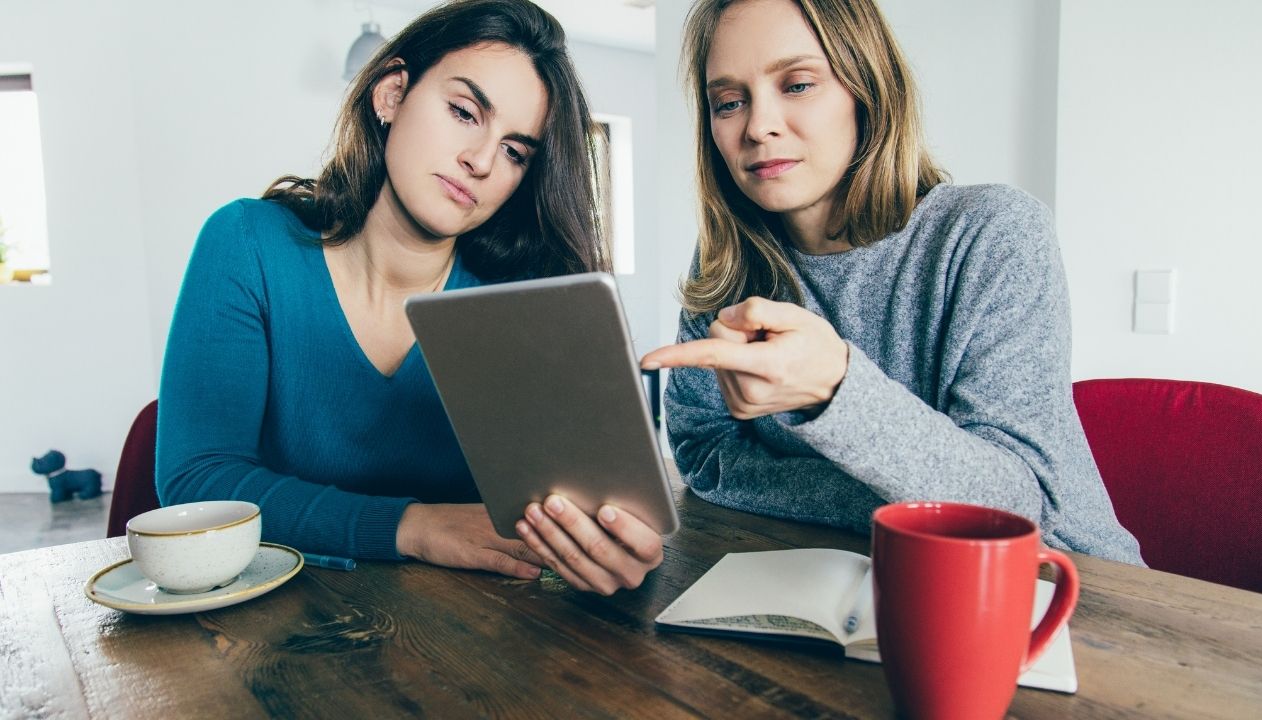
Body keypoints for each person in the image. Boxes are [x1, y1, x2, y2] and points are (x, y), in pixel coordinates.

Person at [157, 0, 662, 595]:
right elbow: (197, 481)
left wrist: (609, 540)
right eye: (463, 111)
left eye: (514, 152)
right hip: (278, 619)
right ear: (391, 94)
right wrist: (409, 526)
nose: (479, 161)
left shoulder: (527, 301)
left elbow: (579, 504)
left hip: (471, 631)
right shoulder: (248, 244)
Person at [641, 0, 1143, 564]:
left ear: (869, 88)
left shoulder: (992, 232)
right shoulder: (729, 261)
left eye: (799, 84)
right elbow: (704, 452)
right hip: (855, 567)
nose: (759, 126)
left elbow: (1016, 506)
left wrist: (836, 390)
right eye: (729, 102)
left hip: (1067, 588)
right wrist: (887, 499)